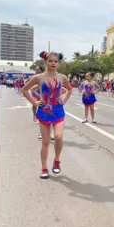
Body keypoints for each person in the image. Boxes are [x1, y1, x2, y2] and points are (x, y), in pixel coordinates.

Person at [22, 51, 73, 179]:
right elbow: (25, 89)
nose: (53, 63)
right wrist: (35, 102)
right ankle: (44, 168)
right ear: (45, 62)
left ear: (59, 63)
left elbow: (70, 89)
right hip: (44, 111)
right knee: (45, 141)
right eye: (50, 61)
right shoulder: (38, 77)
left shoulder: (62, 77)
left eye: (56, 61)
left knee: (58, 136)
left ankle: (57, 160)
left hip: (58, 111)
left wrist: (64, 100)